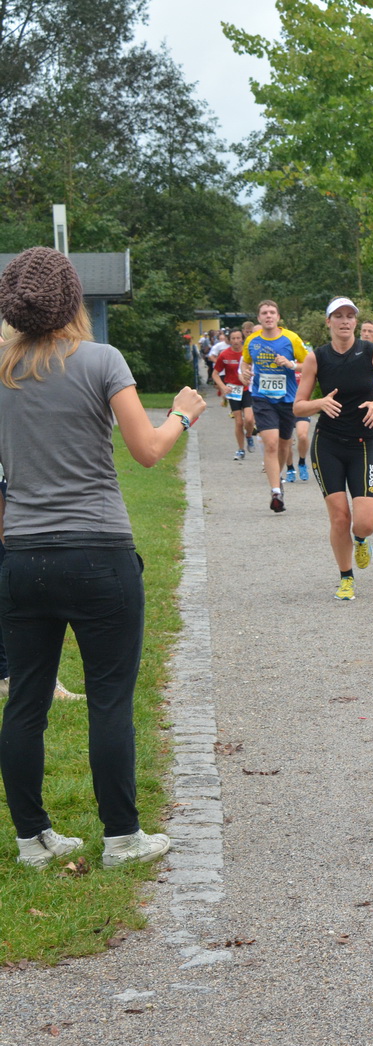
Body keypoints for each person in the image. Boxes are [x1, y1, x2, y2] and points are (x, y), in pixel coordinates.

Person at [0, 247, 207, 869]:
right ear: (74, 301)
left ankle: (32, 839)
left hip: (23, 557)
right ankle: (122, 837)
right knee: (110, 698)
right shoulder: (100, 360)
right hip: (98, 552)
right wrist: (182, 414)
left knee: (26, 700)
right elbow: (146, 450)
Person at [292, 297, 373, 600]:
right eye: (337, 316)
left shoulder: (371, 352)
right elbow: (298, 406)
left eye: (349, 316)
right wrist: (319, 403)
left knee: (365, 521)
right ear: (328, 322)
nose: (344, 321)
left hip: (363, 443)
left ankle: (361, 539)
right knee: (339, 516)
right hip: (327, 444)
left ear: (356, 321)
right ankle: (346, 576)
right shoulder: (317, 357)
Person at [241, 300, 308, 512]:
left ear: (278, 317)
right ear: (259, 318)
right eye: (264, 313)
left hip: (287, 399)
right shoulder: (252, 340)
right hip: (262, 398)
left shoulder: (291, 338)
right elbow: (245, 361)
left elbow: (309, 363)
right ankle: (275, 491)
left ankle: (277, 479)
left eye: (272, 312)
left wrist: (290, 364)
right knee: (270, 443)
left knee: (284, 444)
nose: (268, 316)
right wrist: (243, 372)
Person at [211, 328, 254, 461]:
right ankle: (241, 449)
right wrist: (223, 387)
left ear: (242, 339)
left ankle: (249, 436)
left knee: (249, 419)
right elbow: (215, 374)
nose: (236, 341)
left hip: (247, 389)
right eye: (233, 338)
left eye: (238, 338)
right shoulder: (224, 355)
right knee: (239, 422)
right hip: (233, 390)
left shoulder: (248, 354)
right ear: (229, 340)